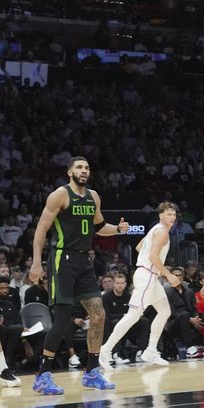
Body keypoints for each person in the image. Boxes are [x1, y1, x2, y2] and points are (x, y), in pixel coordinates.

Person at [30, 156, 128, 395]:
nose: (84, 171)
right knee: (63, 318)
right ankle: (42, 375)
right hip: (62, 259)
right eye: (79, 167)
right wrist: (36, 262)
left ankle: (92, 372)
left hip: (84, 260)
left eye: (87, 168)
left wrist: (116, 229)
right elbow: (41, 229)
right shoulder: (59, 195)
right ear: (69, 172)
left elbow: (98, 227)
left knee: (98, 314)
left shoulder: (94, 196)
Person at [100, 202, 181, 369]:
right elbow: (152, 256)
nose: (172, 217)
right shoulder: (163, 232)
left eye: (173, 214)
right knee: (133, 316)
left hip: (147, 275)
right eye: (168, 214)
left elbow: (139, 247)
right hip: (147, 277)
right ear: (161, 215)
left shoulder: (154, 229)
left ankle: (150, 350)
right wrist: (169, 275)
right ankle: (105, 350)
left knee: (165, 311)